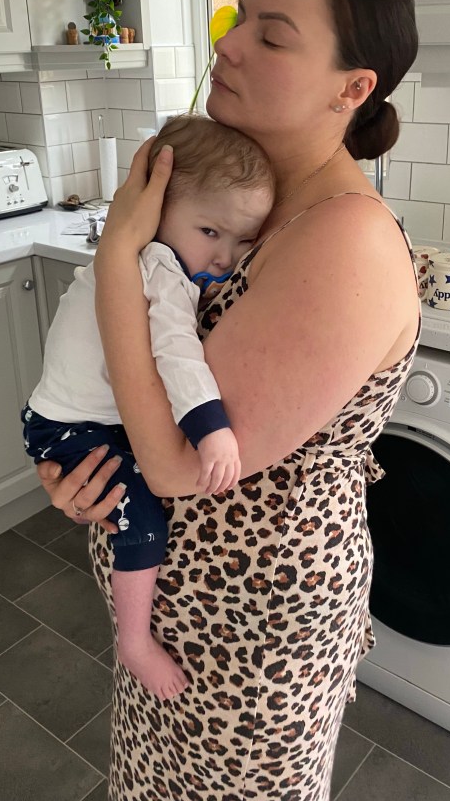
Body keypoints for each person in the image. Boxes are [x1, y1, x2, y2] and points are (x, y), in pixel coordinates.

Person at [36, 0, 421, 801]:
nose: (229, 43)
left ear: (352, 87)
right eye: (239, 17)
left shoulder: (343, 238)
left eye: (271, 36)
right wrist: (76, 458)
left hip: (249, 640)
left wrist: (116, 256)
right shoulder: (241, 191)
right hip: (173, 617)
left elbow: (179, 462)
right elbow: (131, 367)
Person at [22, 114, 275, 700]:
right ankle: (133, 642)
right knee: (144, 526)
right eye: (210, 231)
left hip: (70, 419)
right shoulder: (161, 267)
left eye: (242, 241)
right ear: (156, 209)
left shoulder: (146, 255)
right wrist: (210, 429)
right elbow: (176, 351)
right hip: (74, 427)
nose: (225, 257)